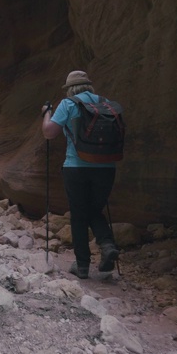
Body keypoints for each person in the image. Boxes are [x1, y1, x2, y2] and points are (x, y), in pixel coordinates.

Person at [41, 70, 119, 279]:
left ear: (70, 89)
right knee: (94, 210)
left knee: (79, 213)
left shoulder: (68, 104)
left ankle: (82, 265)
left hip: (76, 167)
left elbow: (49, 132)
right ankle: (107, 244)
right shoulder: (105, 104)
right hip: (106, 167)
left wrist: (46, 112)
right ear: (89, 86)